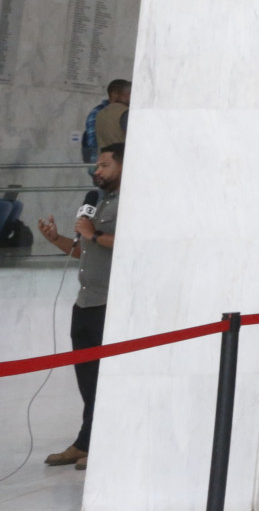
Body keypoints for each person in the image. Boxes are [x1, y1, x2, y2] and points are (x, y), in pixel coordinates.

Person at [38, 143, 122, 471]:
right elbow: (83, 250)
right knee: (87, 379)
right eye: (96, 166)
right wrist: (55, 239)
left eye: (103, 165)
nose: (96, 171)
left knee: (105, 378)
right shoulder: (97, 202)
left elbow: (131, 240)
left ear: (123, 167)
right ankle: (86, 441)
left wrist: (94, 232)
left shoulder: (133, 203)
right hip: (85, 302)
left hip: (109, 304)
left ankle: (103, 443)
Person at [81, 80, 129, 163]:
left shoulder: (101, 112)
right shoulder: (98, 112)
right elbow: (92, 143)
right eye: (129, 93)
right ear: (114, 94)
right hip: (109, 162)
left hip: (105, 162)